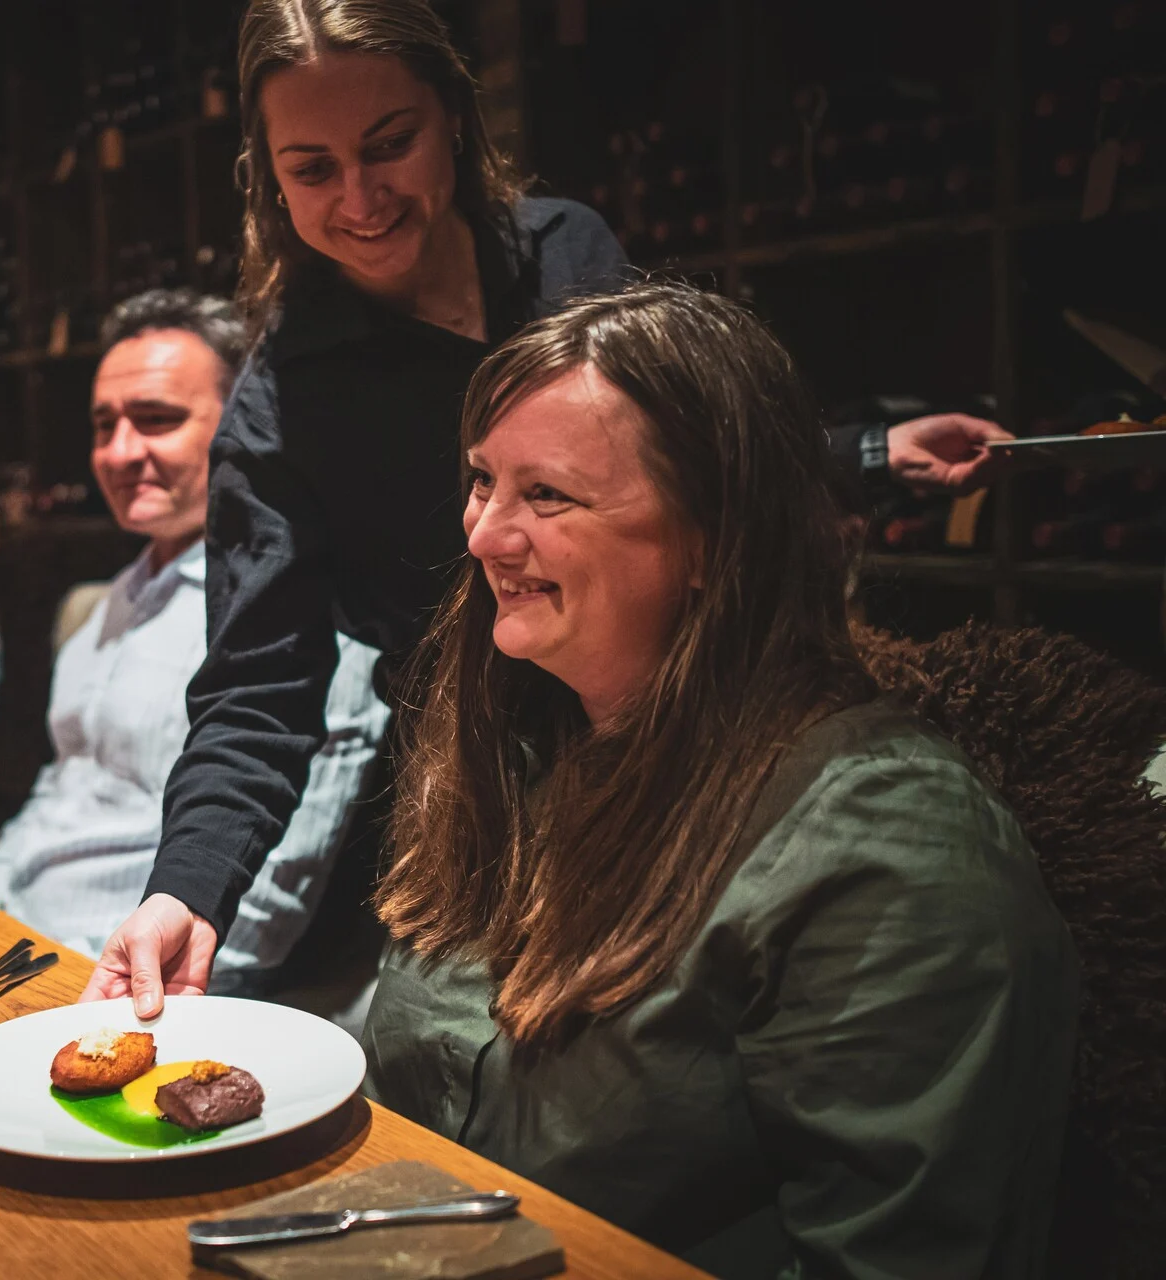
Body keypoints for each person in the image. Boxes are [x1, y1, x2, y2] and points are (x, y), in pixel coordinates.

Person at [84, 0, 1016, 1016]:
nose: (360, 198)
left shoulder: (567, 251)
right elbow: (258, 691)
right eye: (312, 169)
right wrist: (188, 887)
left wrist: (870, 454)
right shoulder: (281, 406)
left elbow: (680, 453)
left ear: (453, 115)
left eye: (389, 145)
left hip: (688, 704)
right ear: (268, 176)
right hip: (488, 774)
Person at [363, 282, 1075, 1277]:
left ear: (713, 540)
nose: (483, 533)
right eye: (483, 479)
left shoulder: (896, 852)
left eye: (548, 494)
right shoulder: (518, 744)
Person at [0, 290, 388, 991]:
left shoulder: (306, 612)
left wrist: (113, 1003)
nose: (122, 452)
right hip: (15, 955)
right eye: (105, 426)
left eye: (157, 420)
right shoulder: (110, 600)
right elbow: (60, 793)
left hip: (122, 985)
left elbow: (271, 891)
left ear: (244, 423)